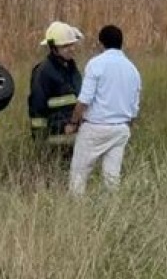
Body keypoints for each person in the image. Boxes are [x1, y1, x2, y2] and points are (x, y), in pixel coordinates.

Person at [66, 25, 141, 195]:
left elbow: (84, 100)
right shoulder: (132, 69)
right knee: (112, 178)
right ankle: (112, 208)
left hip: (95, 127)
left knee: (79, 174)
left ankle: (76, 207)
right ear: (121, 43)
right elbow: (134, 108)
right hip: (120, 129)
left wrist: (73, 122)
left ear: (101, 43)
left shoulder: (96, 64)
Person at [27, 21, 83, 169]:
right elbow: (37, 109)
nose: (71, 49)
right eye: (65, 46)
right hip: (56, 138)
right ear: (53, 48)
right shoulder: (44, 72)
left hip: (74, 133)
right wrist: (41, 141)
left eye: (72, 44)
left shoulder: (71, 68)